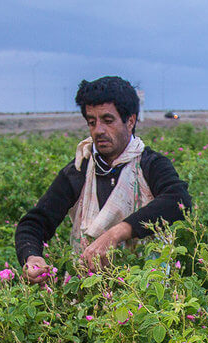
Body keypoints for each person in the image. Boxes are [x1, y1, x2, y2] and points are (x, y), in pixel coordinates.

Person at [15, 76, 191, 282]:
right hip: (89, 291)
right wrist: (32, 256)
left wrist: (116, 234)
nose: (98, 130)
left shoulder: (149, 164)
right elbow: (34, 223)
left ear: (130, 121)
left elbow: (179, 201)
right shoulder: (80, 169)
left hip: (146, 293)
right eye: (92, 122)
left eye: (108, 121)